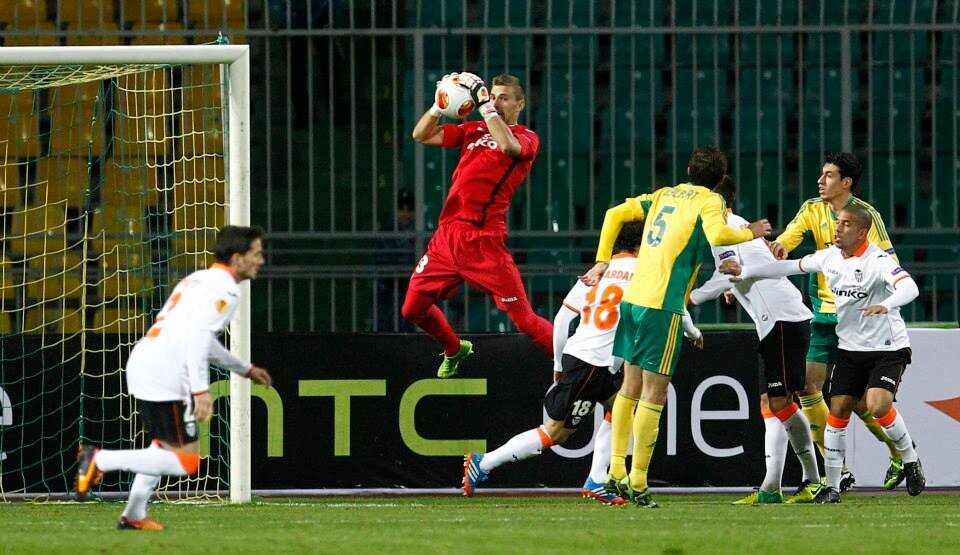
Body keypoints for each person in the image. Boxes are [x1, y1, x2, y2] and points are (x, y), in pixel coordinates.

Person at [579, 147, 771, 507]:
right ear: (719, 179)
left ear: (688, 169)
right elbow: (718, 235)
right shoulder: (710, 200)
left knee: (629, 388)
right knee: (655, 394)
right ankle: (637, 481)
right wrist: (752, 232)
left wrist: (602, 260)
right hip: (662, 305)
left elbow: (614, 213)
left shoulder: (664, 194)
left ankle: (616, 471)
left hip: (633, 299)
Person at [462, 223, 702, 504]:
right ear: (641, 246)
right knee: (555, 433)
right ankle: (484, 462)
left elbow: (563, 319)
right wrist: (694, 332)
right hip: (591, 363)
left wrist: (558, 363)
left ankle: (597, 480)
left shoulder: (598, 272)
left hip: (588, 359)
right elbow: (675, 303)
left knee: (621, 408)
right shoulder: (646, 272)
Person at [720, 203, 925, 502]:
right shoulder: (829, 257)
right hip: (850, 349)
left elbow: (910, 288)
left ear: (862, 231)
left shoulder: (877, 261)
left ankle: (910, 460)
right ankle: (830, 486)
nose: (837, 229)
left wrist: (888, 303)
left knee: (877, 404)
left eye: (844, 224)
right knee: (837, 411)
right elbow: (787, 267)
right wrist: (746, 270)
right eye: (837, 223)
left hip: (887, 347)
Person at [75, 226, 273, 530]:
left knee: (162, 447)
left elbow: (202, 341)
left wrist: (243, 368)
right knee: (187, 462)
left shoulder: (199, 279)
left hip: (147, 361)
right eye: (256, 253)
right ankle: (99, 460)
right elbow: (196, 338)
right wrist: (200, 390)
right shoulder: (226, 289)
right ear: (237, 258)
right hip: (167, 372)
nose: (261, 260)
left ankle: (134, 515)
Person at [403, 72, 553, 378]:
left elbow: (509, 148)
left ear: (520, 104)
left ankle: (581, 363)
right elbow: (421, 135)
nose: (497, 102)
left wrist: (485, 104)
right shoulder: (473, 130)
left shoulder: (526, 138)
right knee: (412, 309)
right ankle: (454, 348)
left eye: (504, 98)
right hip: (447, 238)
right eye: (493, 95)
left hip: (483, 241)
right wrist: (439, 104)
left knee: (524, 319)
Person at [768, 152, 904, 490]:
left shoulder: (866, 216)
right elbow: (789, 237)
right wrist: (779, 247)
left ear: (846, 183)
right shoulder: (812, 208)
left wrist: (886, 304)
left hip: (856, 319)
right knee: (806, 385)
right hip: (822, 315)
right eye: (821, 174)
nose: (820, 180)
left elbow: (888, 261)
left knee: (858, 403)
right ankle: (838, 468)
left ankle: (899, 454)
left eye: (829, 175)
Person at [688, 176, 821, 504]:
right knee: (772, 404)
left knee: (779, 403)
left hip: (783, 321)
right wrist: (726, 287)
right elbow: (733, 272)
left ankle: (813, 480)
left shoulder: (728, 225)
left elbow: (743, 269)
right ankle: (773, 488)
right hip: (777, 322)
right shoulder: (731, 229)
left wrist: (692, 297)